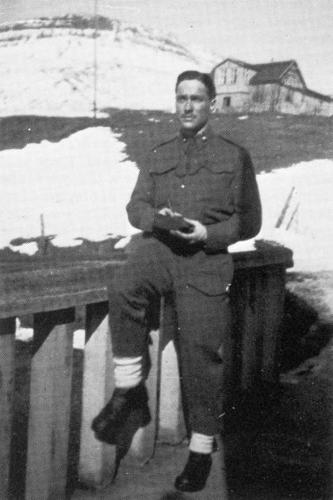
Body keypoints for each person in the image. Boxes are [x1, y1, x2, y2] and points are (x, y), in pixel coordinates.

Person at [92, 70, 262, 492]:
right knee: (124, 285)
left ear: (211, 104)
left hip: (205, 261)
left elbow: (250, 221)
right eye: (181, 98)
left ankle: (202, 448)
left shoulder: (234, 155)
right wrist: (156, 220)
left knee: (201, 355)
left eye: (197, 99)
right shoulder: (158, 152)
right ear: (175, 103)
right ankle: (130, 390)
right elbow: (136, 205)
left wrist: (208, 234)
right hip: (162, 252)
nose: (187, 106)